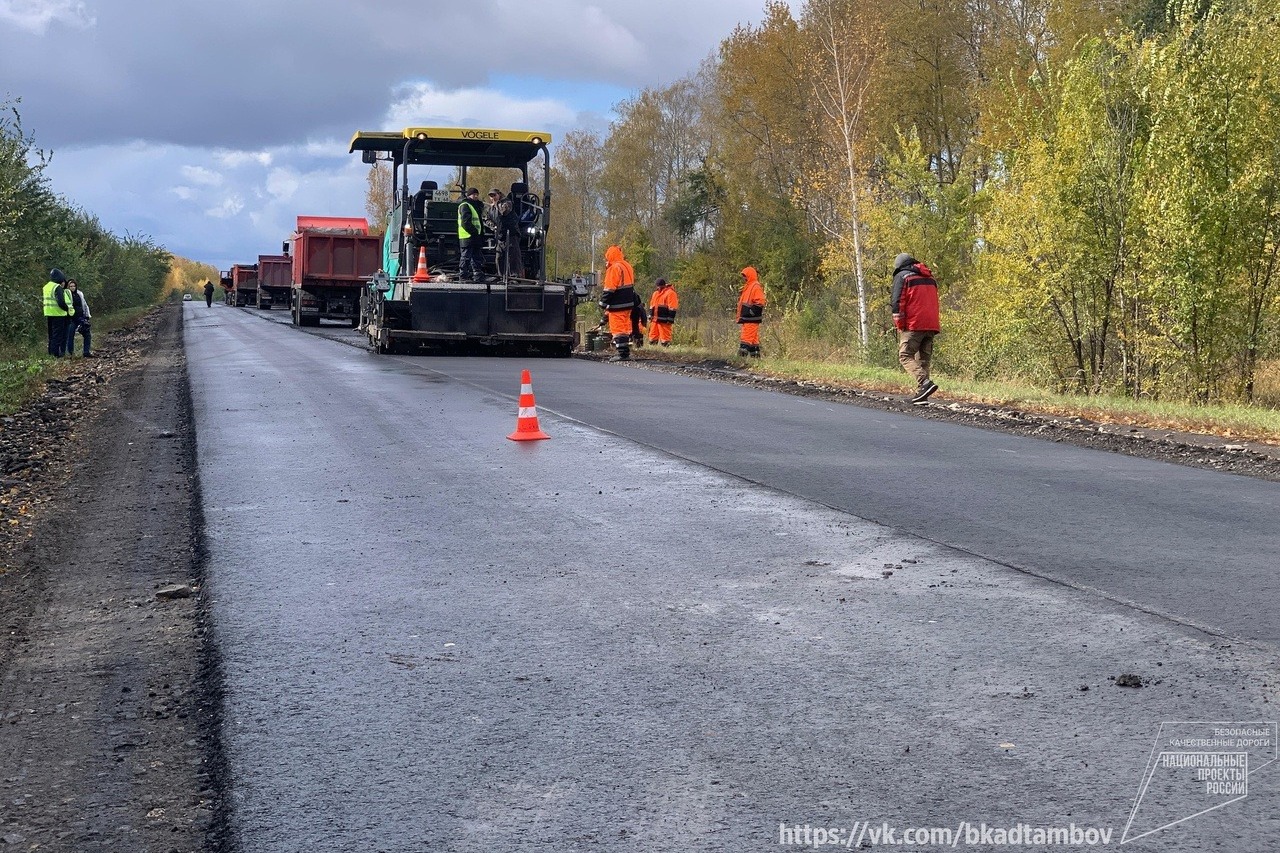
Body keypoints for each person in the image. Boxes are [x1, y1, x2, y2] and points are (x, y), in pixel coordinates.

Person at [890, 252, 941, 403]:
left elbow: (897, 302)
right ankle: (922, 396)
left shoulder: (903, 276)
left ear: (899, 266)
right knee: (923, 359)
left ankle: (925, 383)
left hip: (914, 324)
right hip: (931, 324)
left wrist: (900, 324)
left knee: (905, 355)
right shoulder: (930, 278)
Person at [599, 245, 636, 361]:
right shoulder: (627, 266)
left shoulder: (614, 268)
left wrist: (603, 303)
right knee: (624, 328)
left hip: (618, 304)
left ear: (610, 256)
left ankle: (622, 354)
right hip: (629, 302)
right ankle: (625, 352)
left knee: (618, 329)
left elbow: (609, 288)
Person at [487, 189, 524, 279]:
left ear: (499, 194)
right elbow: (487, 219)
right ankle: (501, 276)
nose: (493, 198)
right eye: (491, 196)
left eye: (494, 195)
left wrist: (496, 205)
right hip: (500, 235)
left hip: (511, 233)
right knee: (499, 257)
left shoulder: (507, 202)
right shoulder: (490, 208)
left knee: (513, 256)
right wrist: (493, 226)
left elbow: (504, 212)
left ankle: (515, 276)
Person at [735, 266, 766, 358]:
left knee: (746, 338)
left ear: (750, 275)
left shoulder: (755, 286)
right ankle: (755, 359)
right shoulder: (749, 286)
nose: (744, 278)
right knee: (753, 340)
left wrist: (751, 312)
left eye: (745, 276)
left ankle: (740, 359)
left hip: (751, 318)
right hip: (749, 317)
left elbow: (760, 301)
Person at [42, 268, 73, 357]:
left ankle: (50, 353)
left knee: (51, 335)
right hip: (58, 314)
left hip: (48, 313)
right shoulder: (57, 287)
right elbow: (61, 302)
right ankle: (56, 354)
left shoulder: (46, 287)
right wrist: (67, 309)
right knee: (58, 335)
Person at [457, 187, 485, 280]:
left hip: (475, 236)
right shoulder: (465, 205)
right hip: (467, 236)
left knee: (476, 257)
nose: (476, 196)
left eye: (477, 194)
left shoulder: (476, 206)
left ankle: (477, 275)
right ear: (469, 195)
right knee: (466, 257)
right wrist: (474, 231)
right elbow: (465, 222)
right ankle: (463, 275)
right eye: (474, 194)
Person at [65, 279, 92, 357]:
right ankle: (71, 353)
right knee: (70, 336)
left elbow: (84, 305)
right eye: (71, 286)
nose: (72, 288)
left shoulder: (80, 294)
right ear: (68, 287)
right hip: (71, 319)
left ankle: (86, 352)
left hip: (81, 318)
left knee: (87, 334)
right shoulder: (66, 294)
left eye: (74, 286)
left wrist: (87, 315)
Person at [648, 278, 678, 346]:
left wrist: (670, 319)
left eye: (659, 286)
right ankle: (653, 351)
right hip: (654, 320)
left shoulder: (671, 293)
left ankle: (666, 351)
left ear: (663, 285)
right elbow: (652, 305)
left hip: (664, 320)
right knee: (652, 337)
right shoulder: (655, 293)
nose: (658, 287)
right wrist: (650, 316)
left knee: (665, 338)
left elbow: (672, 307)